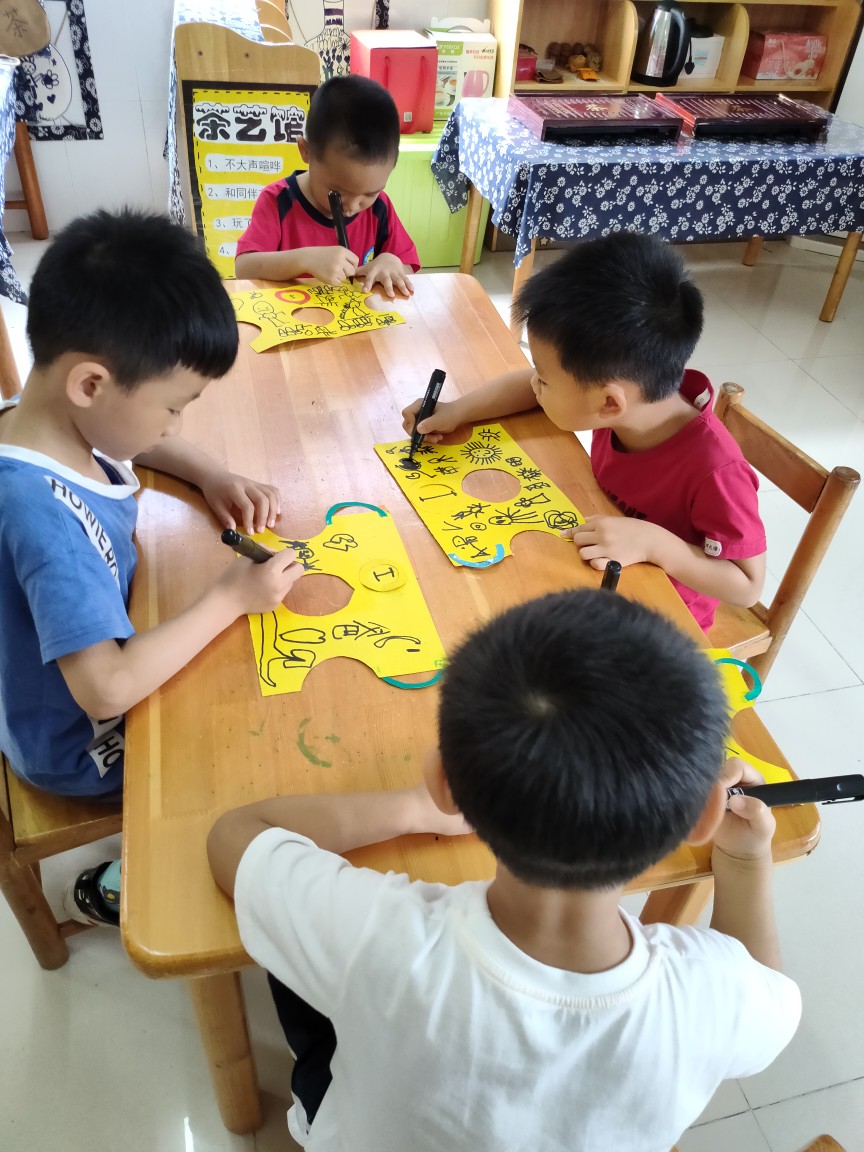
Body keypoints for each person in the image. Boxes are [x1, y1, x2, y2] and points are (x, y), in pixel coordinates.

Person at [208, 589, 800, 1152]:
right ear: (704, 817)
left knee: (291, 964)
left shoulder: (377, 936)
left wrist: (411, 809)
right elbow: (770, 996)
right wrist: (745, 860)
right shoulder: (713, 999)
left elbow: (234, 837)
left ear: (444, 784)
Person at [0, 209, 303, 926]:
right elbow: (106, 689)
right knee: (259, 766)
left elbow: (130, 439)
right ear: (90, 384)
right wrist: (231, 598)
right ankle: (124, 885)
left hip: (86, 666)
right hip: (82, 747)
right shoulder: (42, 516)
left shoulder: (39, 413)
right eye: (174, 407)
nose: (176, 425)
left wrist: (212, 473)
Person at [402, 232, 767, 632]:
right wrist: (457, 410)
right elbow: (529, 386)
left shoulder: (717, 471)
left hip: (659, 618)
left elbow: (747, 586)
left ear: (609, 403)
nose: (535, 385)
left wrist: (657, 545)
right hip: (595, 559)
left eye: (545, 379)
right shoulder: (630, 399)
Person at [234, 75, 419, 300]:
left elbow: (408, 267)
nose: (352, 207)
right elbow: (244, 268)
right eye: (338, 193)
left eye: (370, 193)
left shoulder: (379, 207)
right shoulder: (278, 201)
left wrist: (392, 262)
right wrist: (305, 260)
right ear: (306, 152)